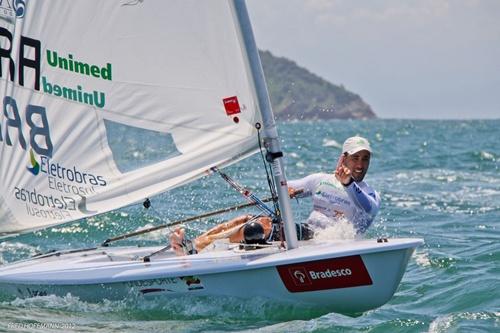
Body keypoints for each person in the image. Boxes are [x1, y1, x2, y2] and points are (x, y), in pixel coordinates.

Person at [170, 136, 380, 255]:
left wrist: (348, 183)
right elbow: (285, 186)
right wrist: (286, 190)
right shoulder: (320, 180)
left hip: (327, 241)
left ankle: (195, 249)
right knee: (246, 220)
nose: (360, 164)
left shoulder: (369, 193)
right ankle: (194, 244)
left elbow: (368, 206)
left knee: (257, 228)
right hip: (307, 233)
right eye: (355, 158)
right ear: (343, 158)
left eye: (365, 158)